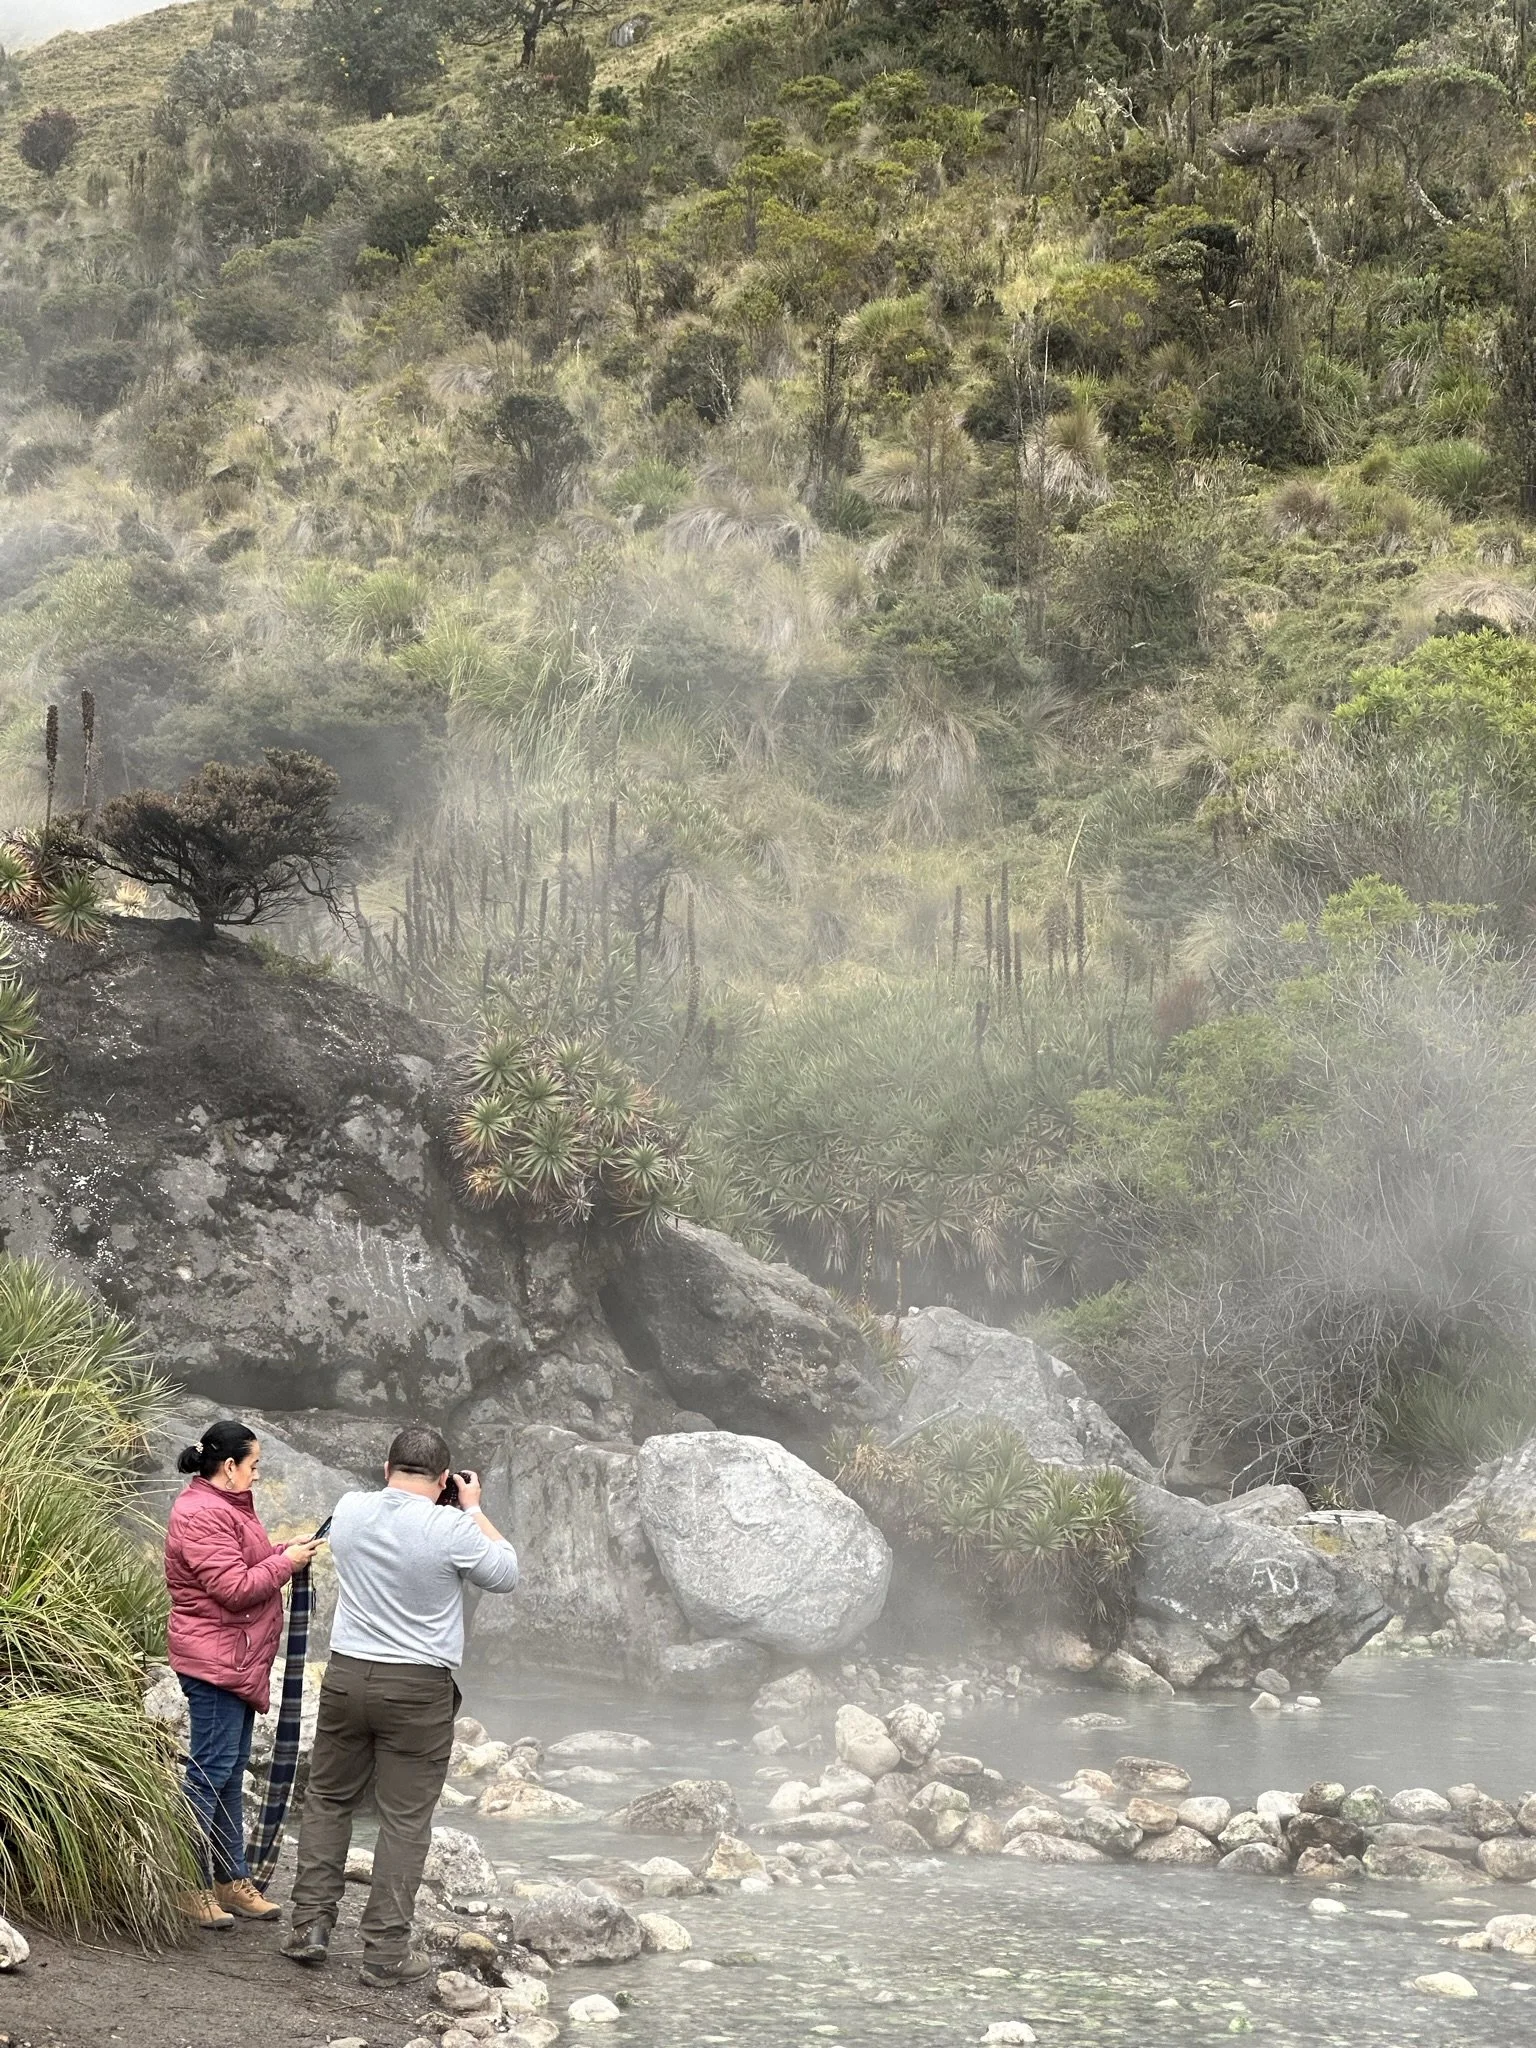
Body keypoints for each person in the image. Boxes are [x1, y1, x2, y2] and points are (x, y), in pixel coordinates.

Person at [282, 1423, 519, 1988]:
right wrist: (472, 1508)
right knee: (405, 1822)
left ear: (387, 1470)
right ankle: (384, 1954)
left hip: (346, 1677)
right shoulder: (452, 1527)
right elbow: (505, 1572)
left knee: (330, 1800)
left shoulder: (351, 1508)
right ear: (443, 1479)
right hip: (416, 1688)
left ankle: (310, 1927)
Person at [164, 1419, 322, 1931]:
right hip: (213, 1663)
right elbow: (234, 1588)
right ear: (229, 1467)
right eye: (253, 1465)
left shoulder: (224, 1506)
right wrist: (286, 1564)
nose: (256, 1474)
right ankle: (190, 1885)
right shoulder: (201, 1513)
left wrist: (283, 1552)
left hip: (231, 1660)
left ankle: (231, 1880)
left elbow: (246, 1564)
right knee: (208, 1774)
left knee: (228, 1773)